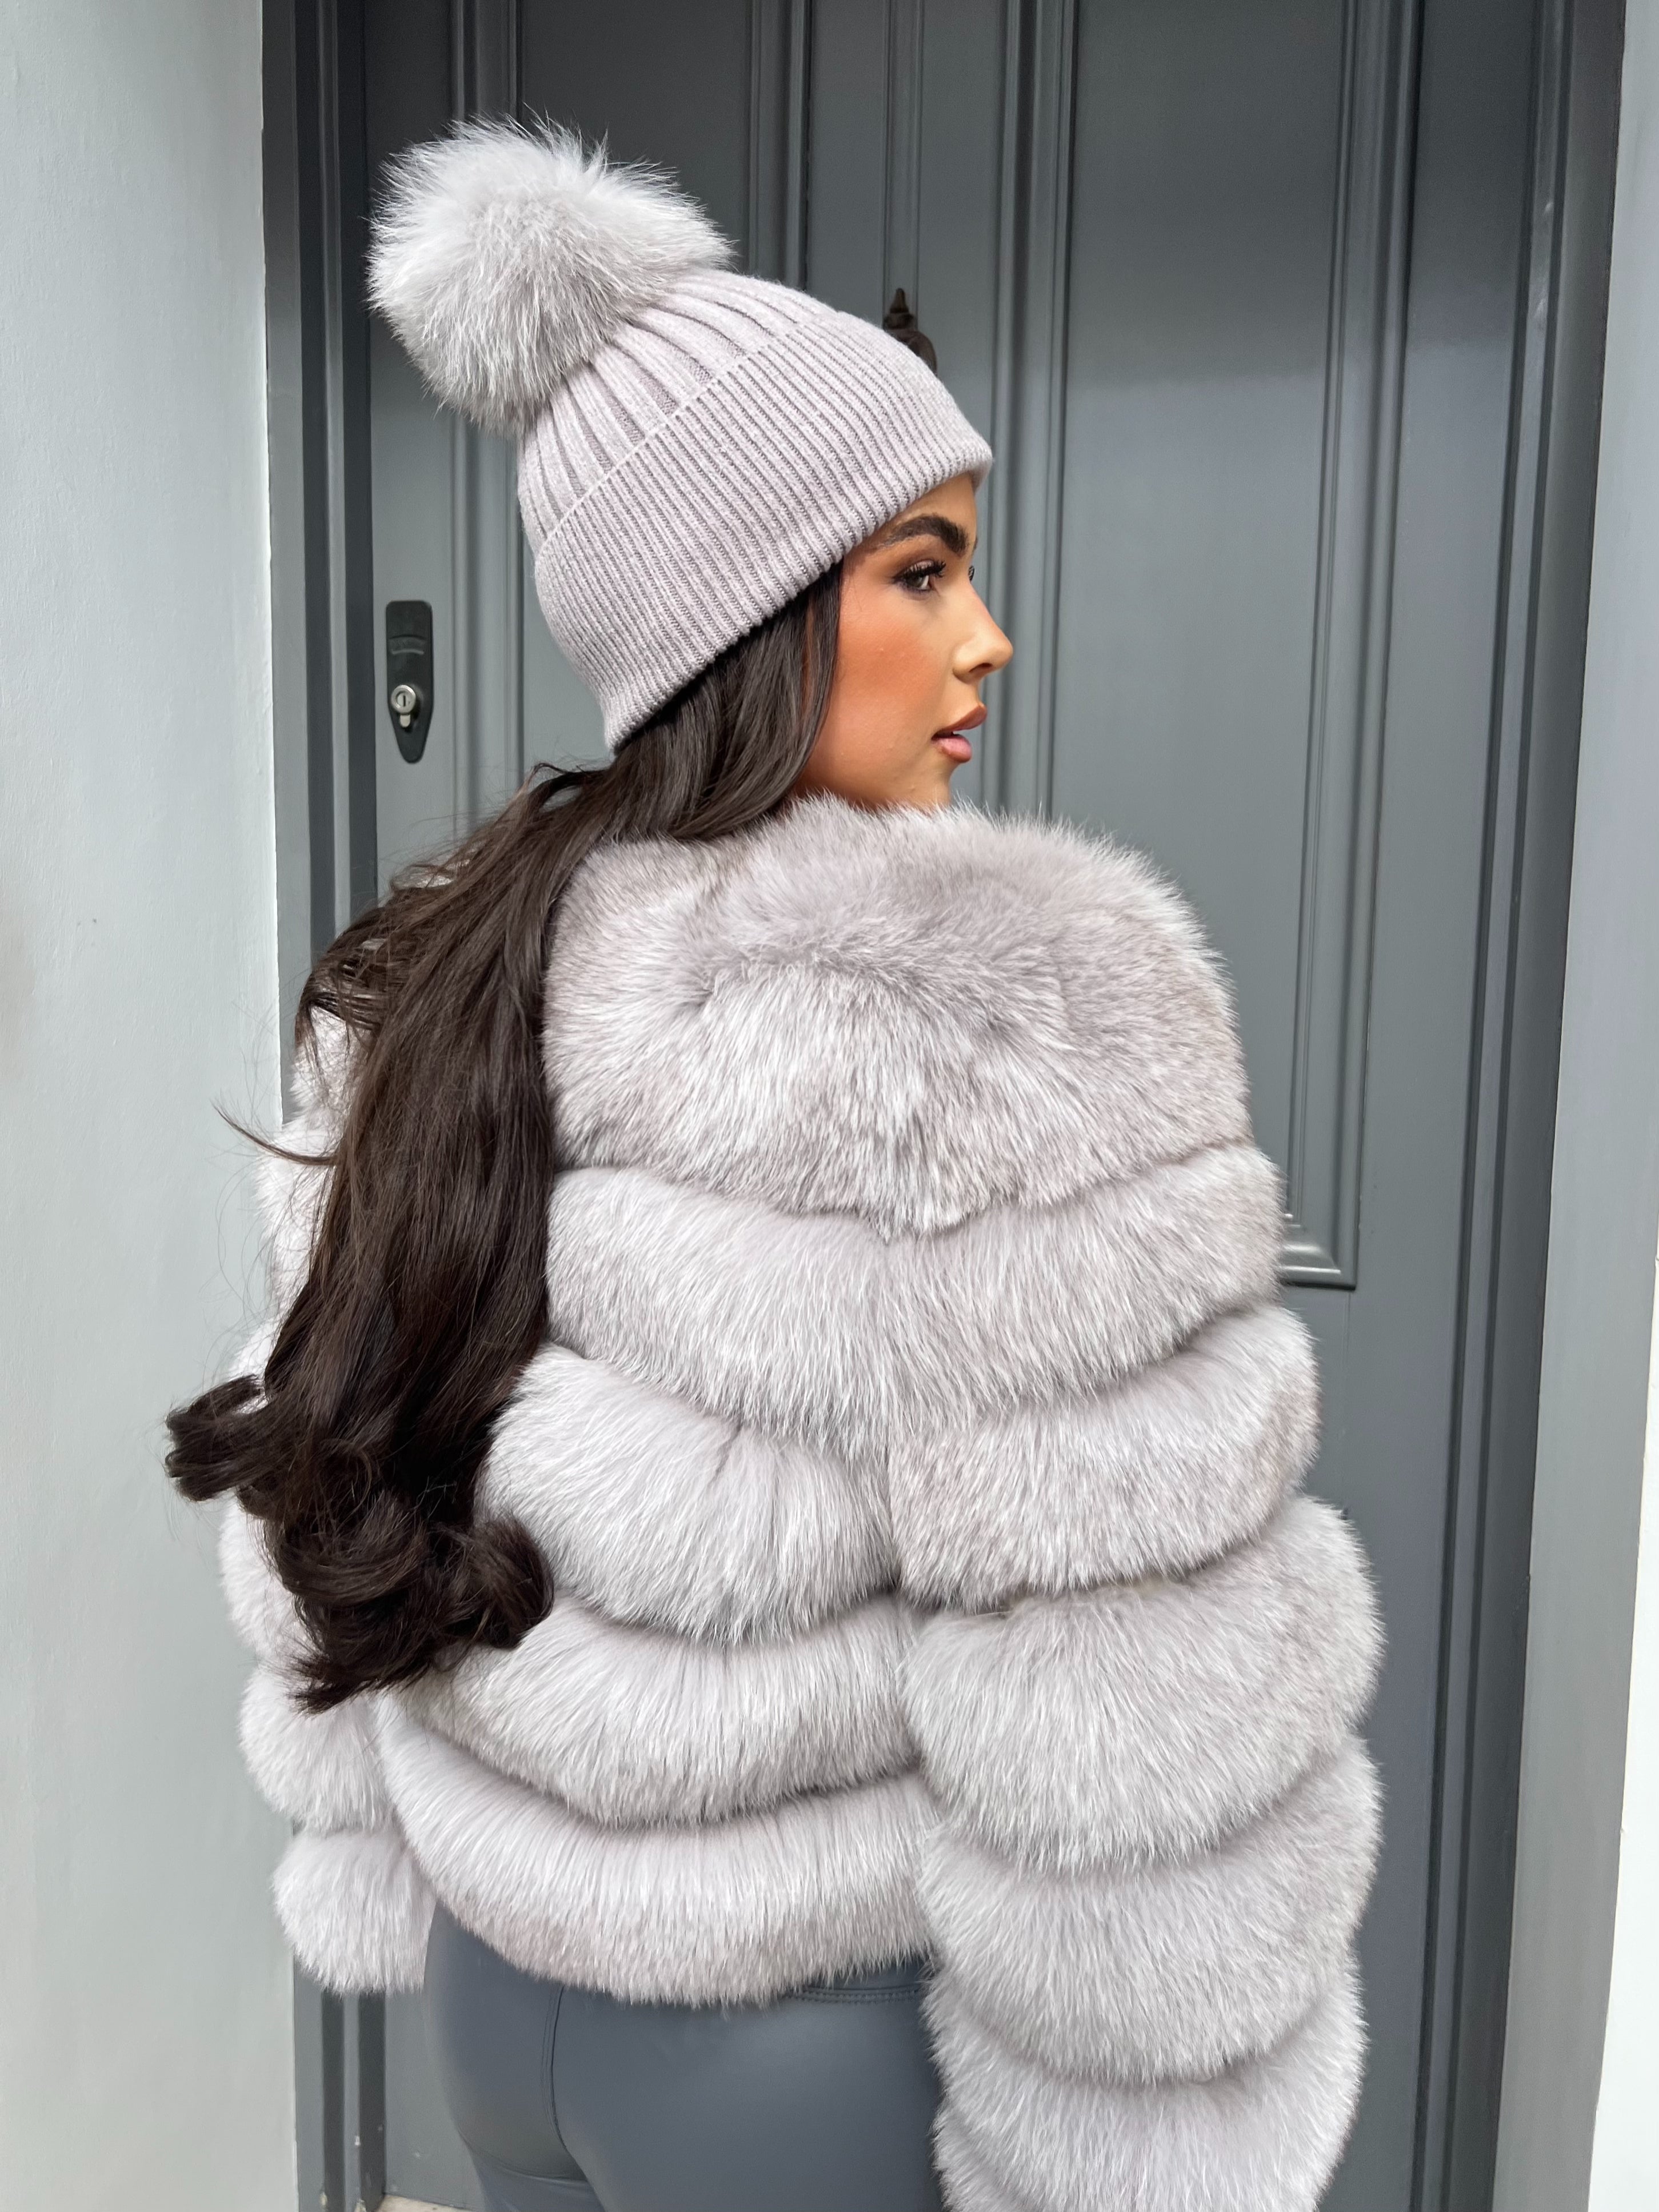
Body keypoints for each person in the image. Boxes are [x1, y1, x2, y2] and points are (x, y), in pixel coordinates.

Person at [169, 122, 1381, 2212]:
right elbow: (1124, 1725)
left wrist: (371, 1846)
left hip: (497, 2003)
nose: (988, 637)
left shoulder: (438, 973)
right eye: (921, 571)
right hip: (792, 2062)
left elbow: (330, 1460)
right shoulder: (1005, 1010)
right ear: (739, 617)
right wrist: (1145, 2152)